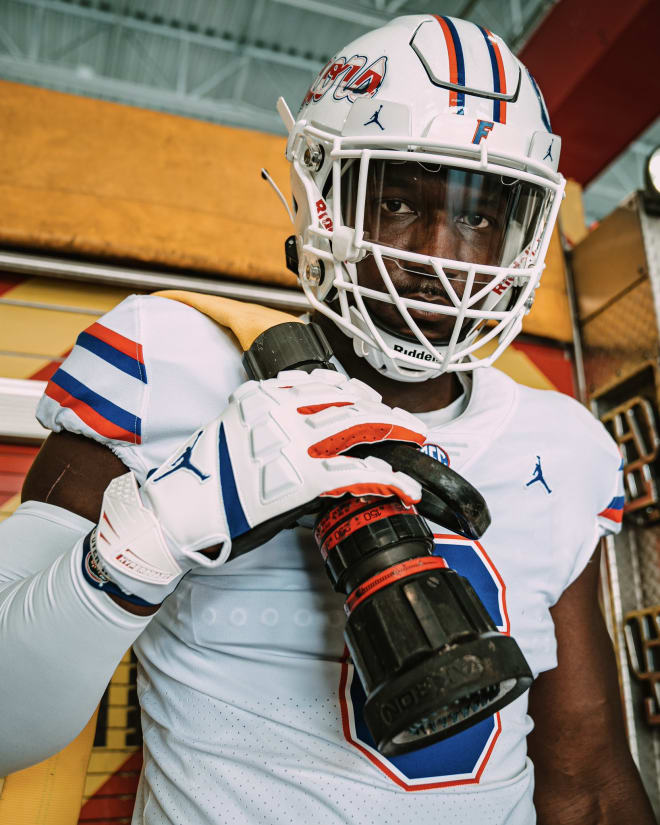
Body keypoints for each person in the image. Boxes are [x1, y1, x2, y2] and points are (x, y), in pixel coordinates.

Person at [0, 13, 654, 825]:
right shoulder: (163, 357)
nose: (434, 252)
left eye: (479, 217)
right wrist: (154, 530)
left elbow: (585, 778)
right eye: (397, 198)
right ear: (324, 196)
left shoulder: (566, 444)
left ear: (520, 238)